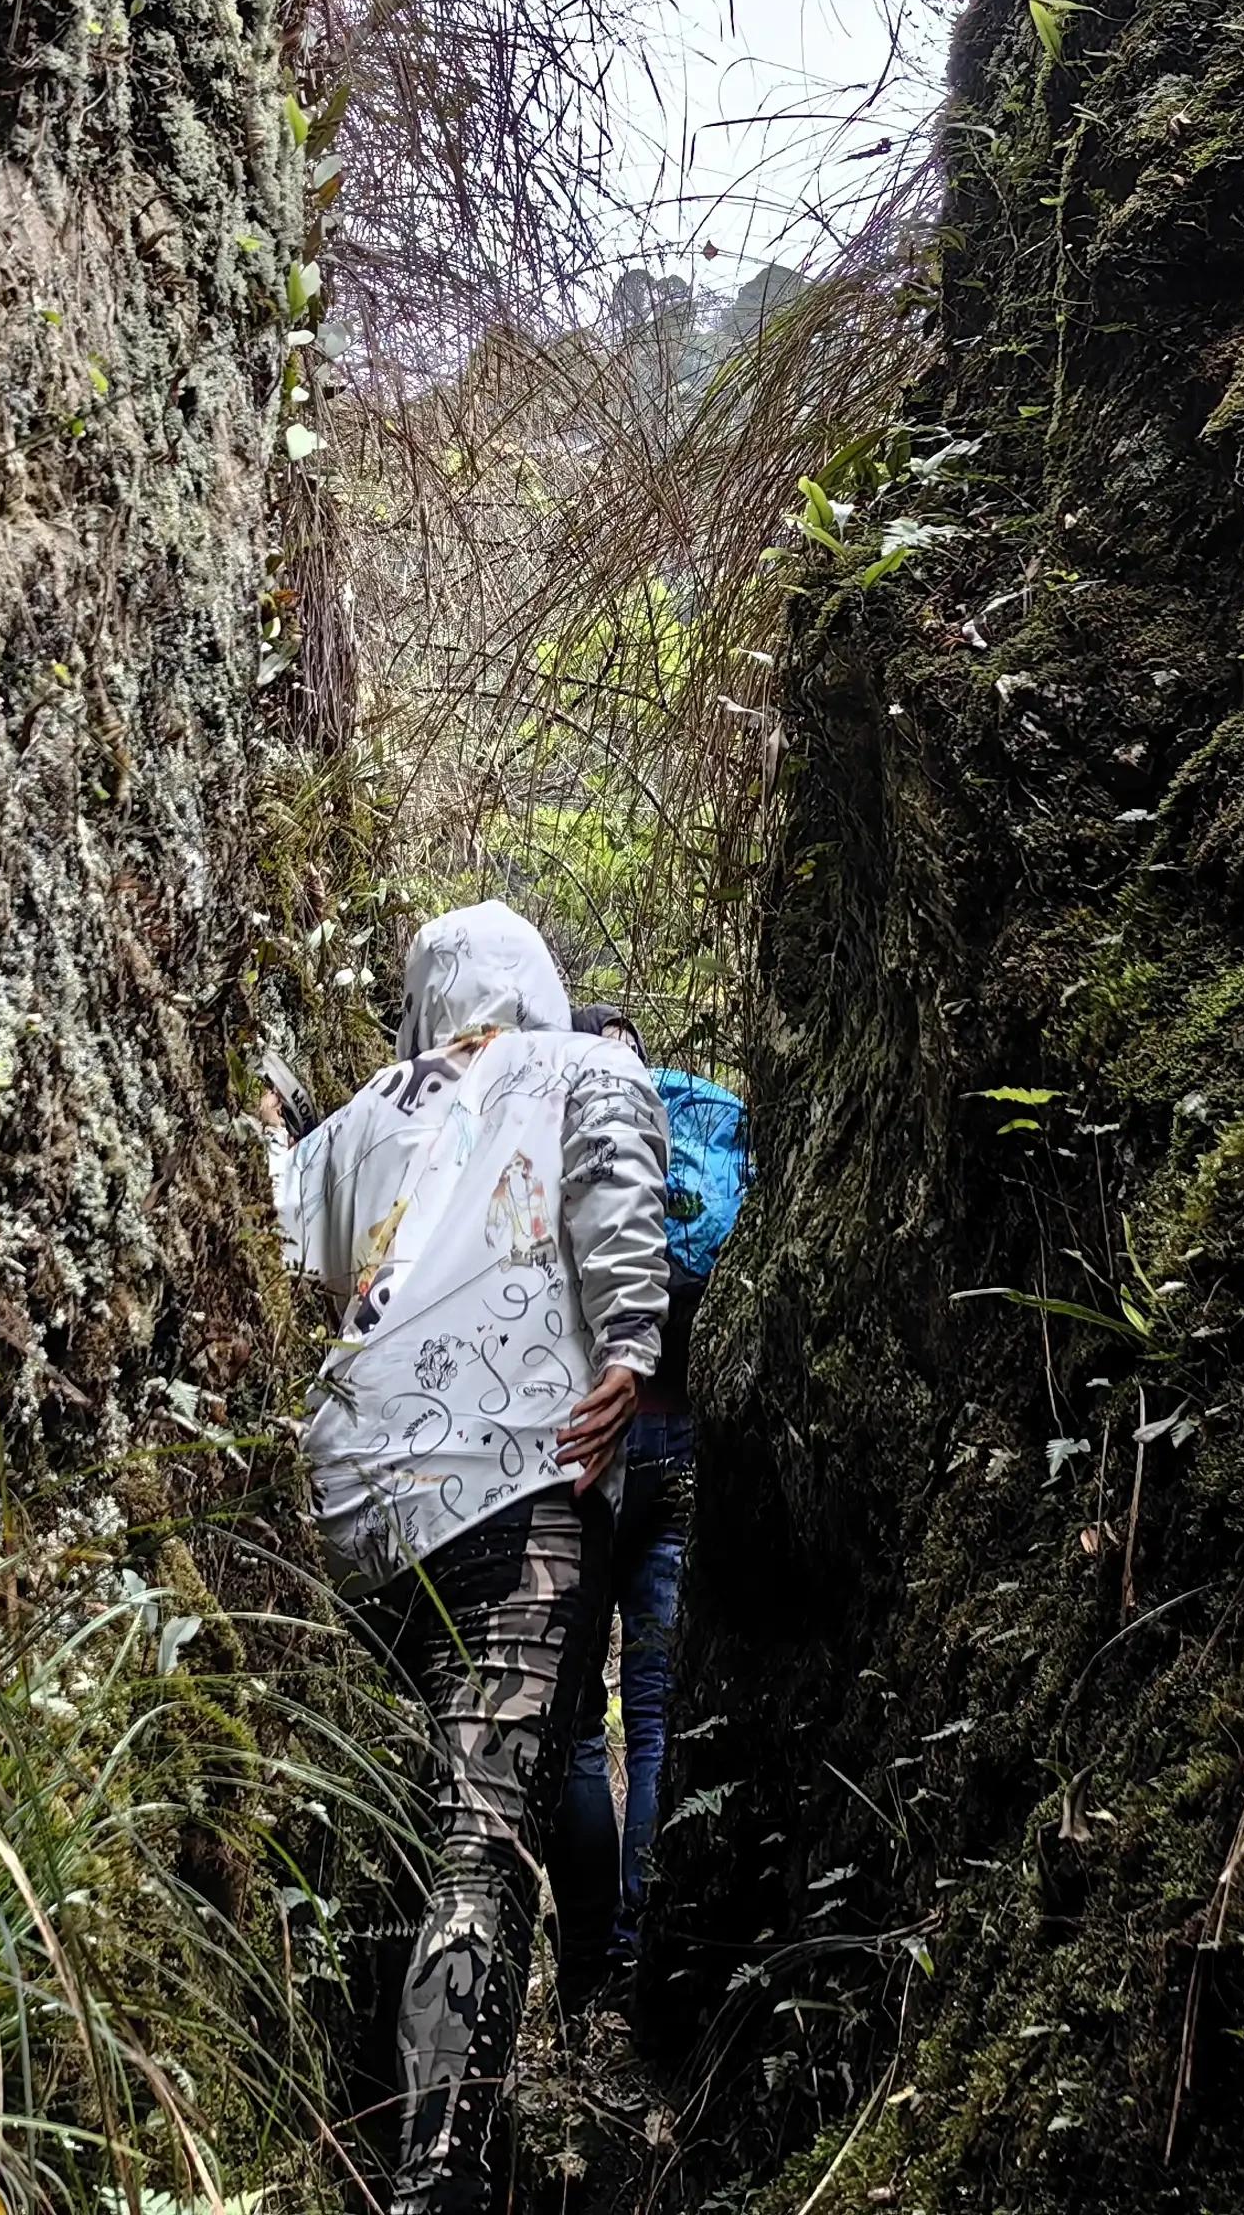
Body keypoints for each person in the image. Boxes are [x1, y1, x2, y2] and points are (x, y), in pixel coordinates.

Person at [276, 904, 670, 2215]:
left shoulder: (374, 1106)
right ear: (543, 984)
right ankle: (434, 2180)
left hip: (358, 1515)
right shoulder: (586, 1070)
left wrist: (268, 1099)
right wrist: (630, 1348)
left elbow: (283, 1229)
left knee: (406, 1811)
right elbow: (618, 1191)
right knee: (480, 1839)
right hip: (518, 1482)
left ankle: (399, 2121)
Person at [548, 1002, 744, 2024]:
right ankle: (642, 1948)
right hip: (678, 1457)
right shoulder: (696, 1134)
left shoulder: (558, 1128)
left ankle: (580, 1977)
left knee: (580, 1725)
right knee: (656, 1718)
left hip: (587, 1455)